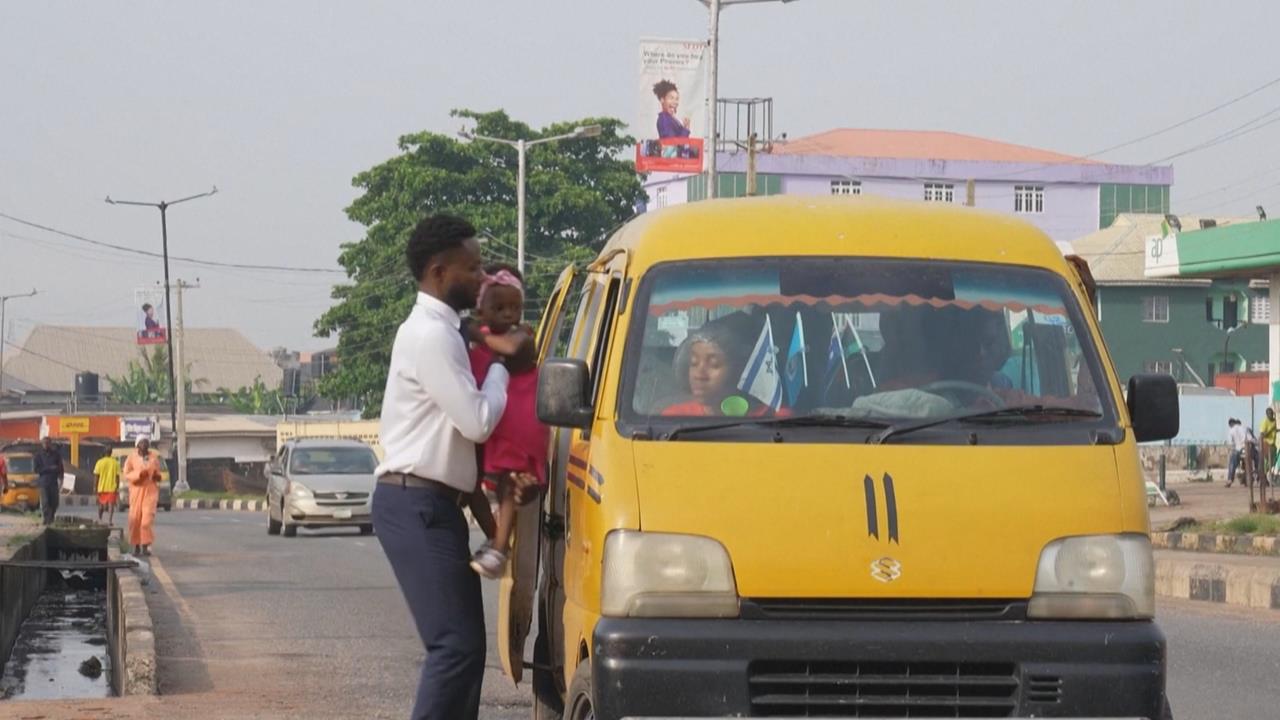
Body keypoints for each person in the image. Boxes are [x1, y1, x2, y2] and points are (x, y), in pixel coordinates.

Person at [371, 214, 532, 720]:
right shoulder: (430, 336)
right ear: (440, 273)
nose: (484, 278)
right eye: (474, 268)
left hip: (434, 505)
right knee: (453, 648)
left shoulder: (450, 332)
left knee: (468, 652)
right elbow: (478, 420)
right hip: (415, 504)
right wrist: (505, 365)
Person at [466, 265, 547, 579]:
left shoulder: (521, 336)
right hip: (493, 425)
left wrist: (473, 331)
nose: (508, 314)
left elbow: (510, 349)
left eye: (515, 307)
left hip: (518, 421)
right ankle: (495, 540)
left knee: (510, 484)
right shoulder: (477, 344)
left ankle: (499, 548)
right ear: (481, 307)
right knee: (478, 486)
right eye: (499, 308)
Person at [662, 313, 780, 417]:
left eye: (714, 364)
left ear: (739, 370)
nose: (699, 375)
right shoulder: (674, 418)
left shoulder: (774, 418)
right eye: (694, 363)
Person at [124, 435, 163, 555]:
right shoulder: (131, 458)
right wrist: (140, 474)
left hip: (150, 492)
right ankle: (136, 545)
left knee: (146, 520)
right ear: (137, 445)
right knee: (135, 519)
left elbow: (158, 473)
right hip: (136, 491)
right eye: (142, 442)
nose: (145, 445)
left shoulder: (153, 458)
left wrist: (156, 476)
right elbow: (127, 473)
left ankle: (145, 545)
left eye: (146, 442)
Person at [33, 436, 63, 525]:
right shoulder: (38, 456)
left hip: (53, 482)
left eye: (48, 443)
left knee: (54, 502)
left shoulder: (56, 455)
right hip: (43, 482)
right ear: (42, 444)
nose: (46, 445)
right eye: (44, 443)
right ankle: (47, 520)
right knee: (45, 502)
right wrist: (50, 468)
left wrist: (61, 478)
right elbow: (36, 469)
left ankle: (51, 517)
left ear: (50, 444)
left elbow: (60, 468)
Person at [94, 450, 121, 526]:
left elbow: (96, 476)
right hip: (112, 487)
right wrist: (117, 486)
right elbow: (117, 476)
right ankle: (109, 520)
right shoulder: (115, 462)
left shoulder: (99, 462)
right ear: (111, 452)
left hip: (101, 487)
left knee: (101, 505)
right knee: (111, 505)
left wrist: (95, 487)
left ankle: (99, 518)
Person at [1227, 418, 1248, 488]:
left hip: (1237, 450)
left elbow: (1231, 443)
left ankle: (1230, 479)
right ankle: (1246, 479)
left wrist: (1232, 450)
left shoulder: (1231, 430)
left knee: (1232, 464)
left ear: (1231, 424)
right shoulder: (1244, 428)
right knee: (1247, 465)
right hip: (1245, 449)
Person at [1261, 407, 1277, 481]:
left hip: (1273, 443)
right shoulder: (1265, 422)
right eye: (1270, 414)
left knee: (1273, 462)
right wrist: (1271, 429)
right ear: (1267, 414)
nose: (1271, 415)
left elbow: (1275, 430)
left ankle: (1266, 476)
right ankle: (1263, 476)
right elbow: (1263, 435)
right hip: (1266, 443)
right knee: (1267, 461)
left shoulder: (1274, 421)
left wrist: (1276, 430)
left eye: (1272, 414)